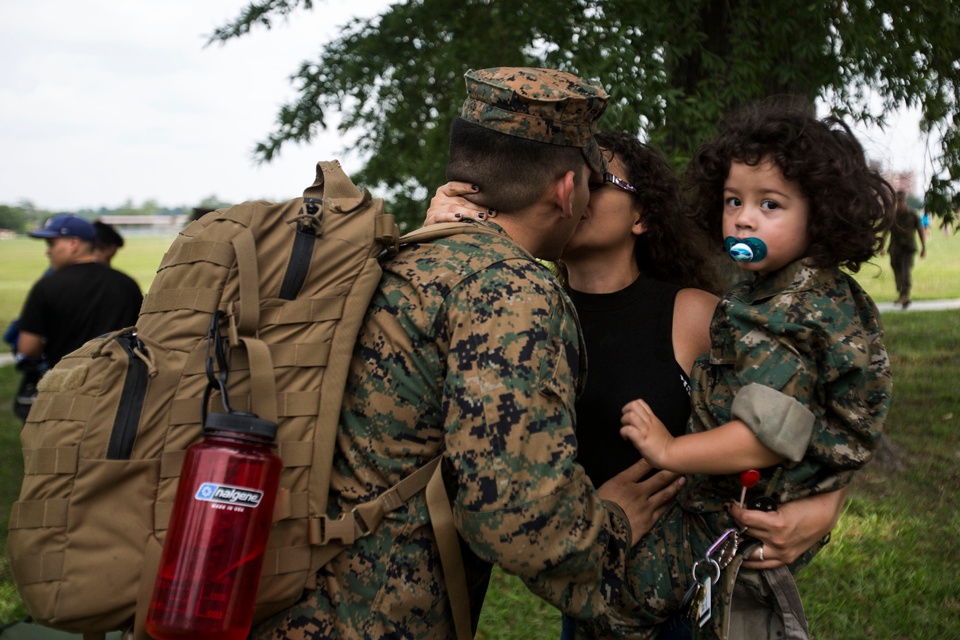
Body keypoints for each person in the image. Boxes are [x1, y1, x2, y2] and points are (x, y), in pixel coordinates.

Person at [250, 67, 682, 640]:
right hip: (369, 619)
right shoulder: (510, 288)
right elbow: (517, 515)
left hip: (272, 595)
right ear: (566, 190)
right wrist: (614, 523)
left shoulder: (394, 258)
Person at [427, 130, 849, 640]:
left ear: (641, 217)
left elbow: (806, 407)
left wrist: (825, 505)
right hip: (589, 592)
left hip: (695, 599)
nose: (577, 188)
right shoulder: (514, 314)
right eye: (571, 174)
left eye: (597, 178)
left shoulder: (693, 313)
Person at [604, 101, 894, 639]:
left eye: (771, 204)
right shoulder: (807, 289)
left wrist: (669, 451)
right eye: (734, 200)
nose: (743, 217)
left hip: (743, 505)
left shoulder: (781, 317)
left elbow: (765, 439)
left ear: (821, 215)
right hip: (770, 495)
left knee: (625, 597)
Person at [17, 214, 143, 368]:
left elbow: (28, 347)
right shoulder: (127, 283)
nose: (48, 252)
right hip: (118, 382)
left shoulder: (46, 286)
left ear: (73, 244)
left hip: (65, 382)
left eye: (51, 244)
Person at [885, 190, 927, 308]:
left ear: (905, 201)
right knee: (897, 270)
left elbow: (920, 231)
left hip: (908, 248)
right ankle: (902, 295)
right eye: (898, 201)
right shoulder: (892, 215)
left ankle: (904, 296)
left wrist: (924, 247)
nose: (900, 203)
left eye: (902, 201)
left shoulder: (912, 215)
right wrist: (881, 246)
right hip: (895, 249)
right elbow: (886, 231)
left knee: (905, 271)